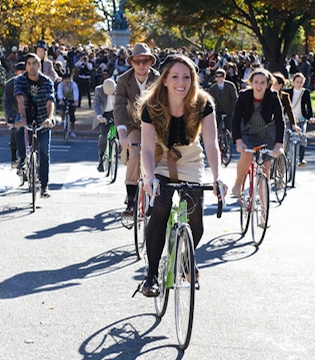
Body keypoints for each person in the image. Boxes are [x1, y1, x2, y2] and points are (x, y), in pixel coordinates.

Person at [138, 54, 226, 296]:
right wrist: (149, 177)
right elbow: (146, 148)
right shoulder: (151, 105)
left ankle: (186, 258)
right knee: (161, 207)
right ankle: (151, 276)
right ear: (164, 79)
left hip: (191, 159)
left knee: (195, 220)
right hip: (161, 157)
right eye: (175, 76)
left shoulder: (203, 103)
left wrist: (217, 177)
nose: (181, 82)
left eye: (186, 77)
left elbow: (211, 144)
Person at [114, 43, 160, 218]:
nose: (141, 65)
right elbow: (119, 106)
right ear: (132, 62)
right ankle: (132, 200)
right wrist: (122, 133)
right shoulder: (124, 80)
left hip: (156, 125)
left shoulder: (158, 79)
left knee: (159, 157)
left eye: (145, 61)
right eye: (137, 61)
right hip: (134, 124)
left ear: (150, 62)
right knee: (134, 154)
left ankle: (157, 193)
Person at [231, 68, 285, 197]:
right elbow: (235, 119)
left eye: (262, 82)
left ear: (268, 84)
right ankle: (238, 183)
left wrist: (279, 144)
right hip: (248, 132)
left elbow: (280, 121)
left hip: (267, 133)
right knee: (247, 155)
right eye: (256, 82)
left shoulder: (273, 96)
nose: (259, 86)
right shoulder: (244, 96)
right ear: (251, 83)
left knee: (265, 168)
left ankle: (262, 209)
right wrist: (238, 142)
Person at [14, 53, 56, 198]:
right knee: (17, 126)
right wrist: (23, 118)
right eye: (29, 64)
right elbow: (19, 98)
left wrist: (49, 119)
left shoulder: (47, 82)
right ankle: (22, 159)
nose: (32, 66)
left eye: (35, 63)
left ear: (39, 65)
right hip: (26, 114)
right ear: (26, 66)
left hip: (42, 118)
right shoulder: (20, 80)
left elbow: (50, 101)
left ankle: (44, 186)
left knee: (44, 151)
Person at [283, 73, 315, 166]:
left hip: (301, 118)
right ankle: (283, 157)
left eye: (301, 82)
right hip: (288, 119)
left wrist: (311, 117)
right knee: (285, 137)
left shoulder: (305, 92)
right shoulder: (287, 92)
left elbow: (309, 107)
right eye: (297, 82)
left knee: (303, 137)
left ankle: (301, 159)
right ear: (293, 82)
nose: (299, 84)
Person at [4, 61, 26, 165]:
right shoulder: (10, 84)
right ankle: (14, 157)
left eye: (24, 71)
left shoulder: (30, 82)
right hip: (14, 110)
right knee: (15, 131)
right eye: (20, 71)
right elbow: (7, 102)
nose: (22, 73)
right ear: (16, 72)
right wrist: (10, 118)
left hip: (28, 110)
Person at [93, 78, 116, 172]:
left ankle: (118, 149)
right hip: (104, 114)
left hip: (115, 113)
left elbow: (124, 104)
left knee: (122, 131)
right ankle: (101, 159)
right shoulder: (98, 90)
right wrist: (99, 116)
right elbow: (96, 104)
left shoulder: (119, 89)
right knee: (103, 135)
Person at [57, 72, 79, 137]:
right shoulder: (60, 85)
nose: (67, 81)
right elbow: (59, 93)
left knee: (72, 115)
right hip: (64, 98)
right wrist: (61, 100)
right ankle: (62, 120)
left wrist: (75, 102)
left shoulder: (74, 84)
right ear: (63, 80)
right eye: (65, 79)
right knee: (62, 107)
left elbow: (76, 93)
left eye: (68, 79)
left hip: (72, 99)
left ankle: (72, 131)